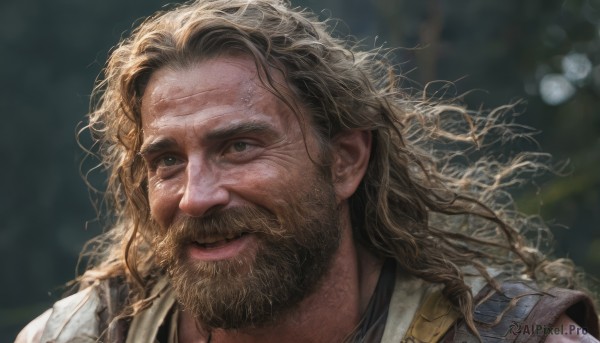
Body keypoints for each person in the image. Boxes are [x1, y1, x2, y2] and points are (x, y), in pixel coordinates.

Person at [15, 0, 599, 342]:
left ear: (345, 160)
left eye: (239, 146)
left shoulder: (507, 335)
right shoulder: (85, 333)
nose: (196, 196)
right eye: (167, 160)